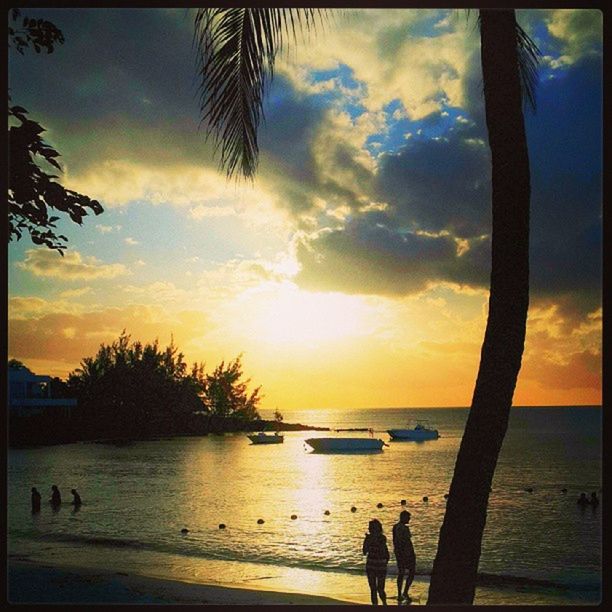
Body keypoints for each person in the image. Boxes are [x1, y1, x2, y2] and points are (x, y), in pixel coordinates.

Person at [362, 519, 389, 605]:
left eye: (370, 527)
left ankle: (384, 603)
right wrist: (367, 541)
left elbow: (383, 550)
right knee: (374, 589)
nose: (369, 529)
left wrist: (369, 540)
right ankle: (378, 605)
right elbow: (364, 551)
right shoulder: (378, 538)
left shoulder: (382, 538)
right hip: (375, 565)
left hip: (377, 565)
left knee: (379, 589)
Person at [392, 510, 416, 603]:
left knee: (401, 573)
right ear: (403, 517)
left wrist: (397, 552)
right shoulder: (405, 529)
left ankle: (399, 593)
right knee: (411, 571)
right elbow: (406, 542)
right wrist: (409, 553)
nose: (409, 519)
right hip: (407, 553)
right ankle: (405, 592)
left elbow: (395, 541)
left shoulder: (395, 527)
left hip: (399, 553)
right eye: (408, 517)